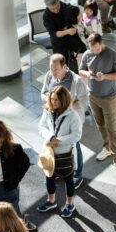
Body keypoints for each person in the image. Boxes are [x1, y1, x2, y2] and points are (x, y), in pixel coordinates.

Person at [78, 33, 116, 174]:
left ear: (101, 43)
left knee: (112, 128)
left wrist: (105, 76)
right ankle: (107, 148)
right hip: (93, 96)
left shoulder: (113, 55)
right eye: (92, 49)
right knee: (100, 125)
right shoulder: (88, 54)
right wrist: (88, 75)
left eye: (97, 49)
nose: (95, 52)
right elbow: (80, 70)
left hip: (109, 98)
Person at [41, 54, 90, 189]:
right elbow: (43, 93)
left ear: (64, 66)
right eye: (51, 69)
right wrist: (49, 100)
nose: (53, 73)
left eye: (56, 70)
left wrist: (64, 103)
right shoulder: (49, 76)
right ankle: (56, 170)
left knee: (75, 146)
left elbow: (84, 101)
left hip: (70, 121)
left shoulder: (76, 81)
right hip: (53, 119)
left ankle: (78, 175)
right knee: (54, 145)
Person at [37, 85, 83, 218]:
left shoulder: (73, 115)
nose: (54, 102)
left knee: (68, 179)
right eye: (52, 99)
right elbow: (41, 127)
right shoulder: (47, 110)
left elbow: (77, 135)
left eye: (57, 100)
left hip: (64, 154)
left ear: (64, 100)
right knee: (49, 177)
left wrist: (58, 140)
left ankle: (69, 204)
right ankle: (51, 201)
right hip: (49, 153)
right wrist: (50, 137)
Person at [43, 0, 86, 69]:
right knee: (60, 62)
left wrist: (79, 15)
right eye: (52, 9)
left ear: (59, 2)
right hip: (59, 39)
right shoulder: (46, 16)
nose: (56, 10)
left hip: (71, 34)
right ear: (47, 7)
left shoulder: (64, 6)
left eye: (57, 7)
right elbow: (54, 34)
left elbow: (75, 10)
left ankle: (83, 69)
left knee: (83, 50)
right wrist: (67, 32)